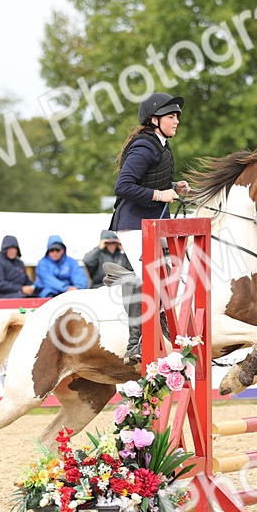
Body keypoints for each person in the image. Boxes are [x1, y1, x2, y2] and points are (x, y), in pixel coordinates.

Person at [109, 92, 191, 363]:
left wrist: (173, 187)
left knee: (177, 266)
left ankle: (166, 321)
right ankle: (134, 344)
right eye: (171, 116)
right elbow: (123, 187)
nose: (176, 120)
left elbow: (152, 181)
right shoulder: (145, 146)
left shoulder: (161, 145)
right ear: (155, 119)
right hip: (133, 224)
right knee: (148, 276)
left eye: (177, 116)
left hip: (153, 223)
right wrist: (160, 195)